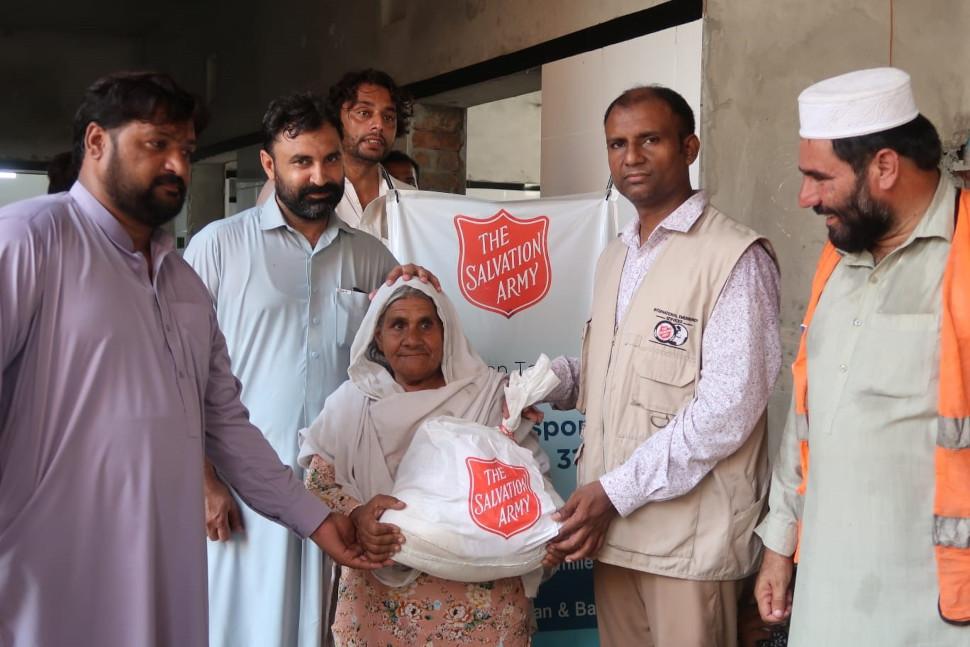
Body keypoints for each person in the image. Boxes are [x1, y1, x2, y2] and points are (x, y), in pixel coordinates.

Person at [0, 71, 377, 647]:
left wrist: (319, 522)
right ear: (97, 143)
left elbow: (225, 425)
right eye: (157, 144)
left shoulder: (179, 282)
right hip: (46, 581)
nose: (177, 164)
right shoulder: (31, 242)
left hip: (165, 573)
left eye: (187, 150)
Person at [186, 92, 429, 647]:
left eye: (330, 160)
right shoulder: (217, 249)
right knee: (239, 628)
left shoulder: (373, 259)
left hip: (342, 493)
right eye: (301, 162)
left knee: (329, 630)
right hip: (242, 491)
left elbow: (407, 367)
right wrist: (203, 480)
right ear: (269, 165)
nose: (319, 176)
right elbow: (176, 375)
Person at [541, 85, 781, 647]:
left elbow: (727, 410)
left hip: (687, 544)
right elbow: (619, 366)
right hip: (616, 534)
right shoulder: (616, 255)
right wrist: (555, 381)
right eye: (617, 144)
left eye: (650, 139)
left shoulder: (734, 257)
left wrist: (614, 492)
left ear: (689, 146)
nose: (632, 157)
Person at [754, 67, 969, 645]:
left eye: (819, 177)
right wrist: (779, 544)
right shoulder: (836, 261)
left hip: (934, 615)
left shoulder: (965, 259)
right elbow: (808, 418)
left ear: (885, 167)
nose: (805, 197)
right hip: (826, 604)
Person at [298, 278, 552, 646]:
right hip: (377, 597)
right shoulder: (351, 404)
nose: (413, 338)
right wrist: (358, 515)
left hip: (481, 600)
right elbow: (317, 487)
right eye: (398, 325)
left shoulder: (491, 397)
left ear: (446, 331)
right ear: (377, 337)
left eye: (426, 324)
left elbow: (531, 486)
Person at [329, 69, 414, 241]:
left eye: (389, 117)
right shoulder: (313, 191)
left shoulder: (410, 200)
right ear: (336, 118)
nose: (379, 125)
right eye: (364, 113)